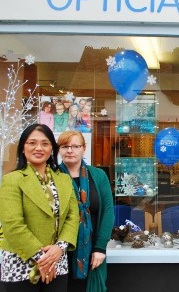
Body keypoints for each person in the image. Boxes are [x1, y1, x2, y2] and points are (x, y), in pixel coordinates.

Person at [0, 124, 79, 292]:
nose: (38, 148)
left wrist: (59, 248)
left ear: (52, 149)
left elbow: (73, 217)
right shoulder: (12, 180)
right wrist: (43, 259)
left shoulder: (64, 179)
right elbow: (12, 225)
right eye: (32, 143)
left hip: (58, 259)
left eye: (45, 143)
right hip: (20, 262)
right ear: (22, 148)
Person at [57, 130, 114, 292]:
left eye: (75, 146)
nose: (70, 150)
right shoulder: (52, 175)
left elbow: (108, 211)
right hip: (60, 251)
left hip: (92, 250)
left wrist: (100, 247)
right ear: (59, 149)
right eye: (65, 146)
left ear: (84, 148)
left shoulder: (98, 175)